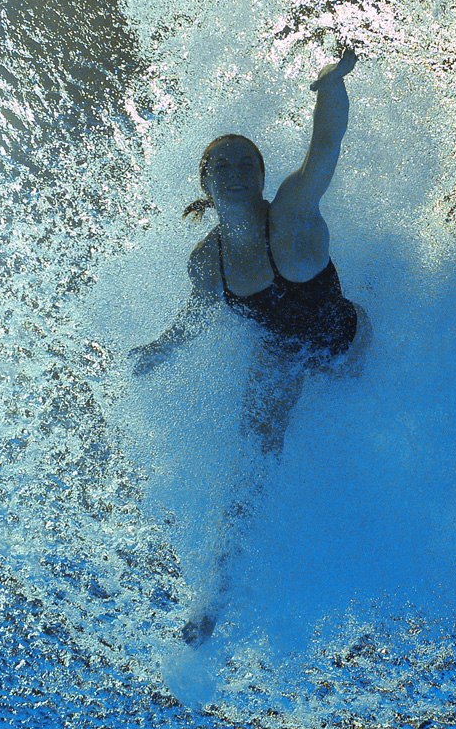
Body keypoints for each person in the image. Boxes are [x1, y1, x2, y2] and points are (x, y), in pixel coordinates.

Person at [129, 48, 371, 456]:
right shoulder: (207, 261)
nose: (235, 173)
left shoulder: (292, 213)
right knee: (256, 442)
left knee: (355, 403)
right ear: (205, 186)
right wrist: (159, 348)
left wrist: (332, 85)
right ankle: (248, 515)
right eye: (221, 167)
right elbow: (198, 312)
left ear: (261, 178)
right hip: (281, 352)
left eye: (246, 164)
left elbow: (325, 147)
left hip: (343, 344)